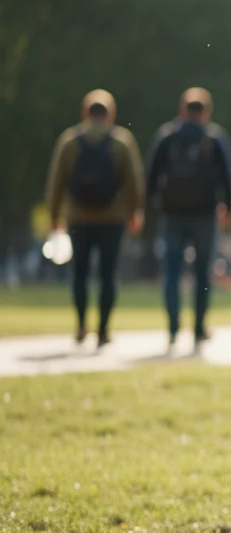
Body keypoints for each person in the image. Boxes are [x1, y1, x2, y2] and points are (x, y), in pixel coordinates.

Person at [44, 89, 145, 347]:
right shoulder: (121, 141)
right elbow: (133, 182)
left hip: (78, 217)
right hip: (112, 219)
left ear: (85, 112)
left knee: (79, 273)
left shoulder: (70, 141)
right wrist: (134, 212)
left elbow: (57, 182)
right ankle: (103, 329)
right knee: (108, 275)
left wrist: (54, 216)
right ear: (110, 113)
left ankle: (80, 325)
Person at [145, 88, 231, 351]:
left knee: (171, 271)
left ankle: (173, 327)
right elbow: (227, 177)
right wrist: (228, 207)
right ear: (206, 112)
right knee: (202, 272)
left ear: (182, 110)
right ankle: (198, 327)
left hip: (172, 213)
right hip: (204, 214)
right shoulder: (213, 138)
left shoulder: (167, 136)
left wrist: (152, 204)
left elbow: (151, 176)